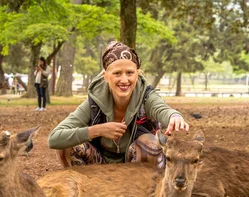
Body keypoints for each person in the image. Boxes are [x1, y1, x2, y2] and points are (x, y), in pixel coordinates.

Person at [48, 41, 189, 168]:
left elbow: (161, 109)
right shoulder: (95, 101)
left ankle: (140, 192)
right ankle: (88, 191)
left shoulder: (146, 96)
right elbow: (54, 138)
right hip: (98, 164)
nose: (124, 80)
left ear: (137, 74)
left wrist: (174, 116)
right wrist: (97, 130)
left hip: (133, 165)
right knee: (65, 144)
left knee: (150, 144)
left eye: (130, 73)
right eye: (117, 73)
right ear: (106, 76)